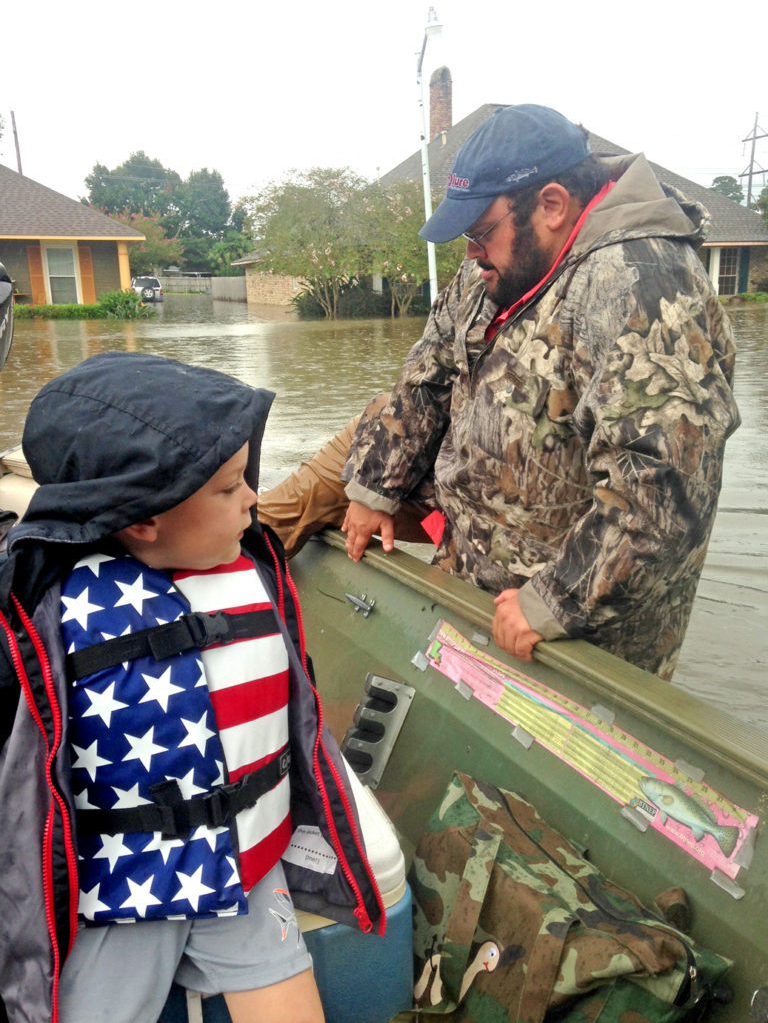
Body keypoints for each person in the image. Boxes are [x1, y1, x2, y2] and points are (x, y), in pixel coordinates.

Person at [259, 104, 740, 680]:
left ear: (553, 206)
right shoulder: (497, 264)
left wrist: (553, 600)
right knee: (331, 472)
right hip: (470, 524)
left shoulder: (643, 284)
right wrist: (373, 490)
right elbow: (427, 373)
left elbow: (666, 494)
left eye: (481, 232)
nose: (470, 253)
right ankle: (224, 579)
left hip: (554, 602)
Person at [0, 352, 384, 1023]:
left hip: (245, 863)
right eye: (232, 486)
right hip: (119, 887)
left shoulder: (248, 564)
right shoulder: (42, 610)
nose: (254, 499)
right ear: (145, 518)